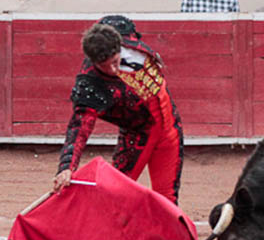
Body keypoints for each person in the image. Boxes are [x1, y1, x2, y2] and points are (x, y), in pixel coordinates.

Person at [53, 15, 184, 205]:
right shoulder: (90, 83)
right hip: (138, 135)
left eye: (116, 62)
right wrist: (66, 167)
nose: (115, 71)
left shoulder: (120, 30)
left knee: (168, 200)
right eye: (107, 67)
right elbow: (79, 127)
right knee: (113, 197)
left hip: (169, 123)